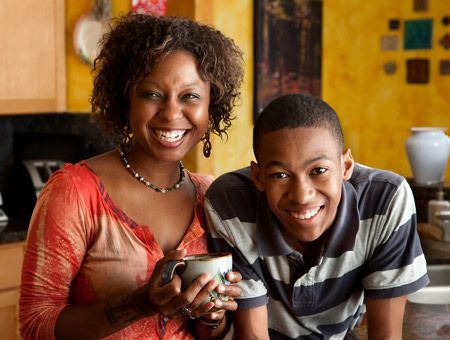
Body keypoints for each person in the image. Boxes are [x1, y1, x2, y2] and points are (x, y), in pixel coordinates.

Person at [19, 13, 244, 340]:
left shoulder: (210, 196)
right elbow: (34, 326)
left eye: (190, 96)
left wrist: (212, 316)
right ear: (125, 100)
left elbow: (209, 333)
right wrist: (141, 303)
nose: (170, 113)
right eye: (152, 94)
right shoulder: (76, 192)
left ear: (212, 107)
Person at [205, 94, 429, 339]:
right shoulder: (231, 204)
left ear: (345, 166)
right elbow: (253, 336)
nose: (302, 195)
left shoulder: (385, 200)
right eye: (280, 175)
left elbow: (385, 336)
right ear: (258, 177)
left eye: (319, 170)